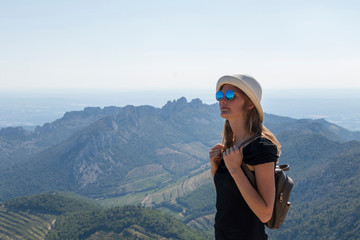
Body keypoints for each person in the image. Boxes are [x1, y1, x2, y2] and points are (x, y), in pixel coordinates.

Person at [209, 74, 281, 240]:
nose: (222, 100)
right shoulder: (231, 146)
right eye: (220, 95)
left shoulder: (261, 148)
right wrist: (215, 169)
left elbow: (265, 214)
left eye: (230, 95)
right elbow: (226, 198)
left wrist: (235, 169)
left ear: (250, 104)